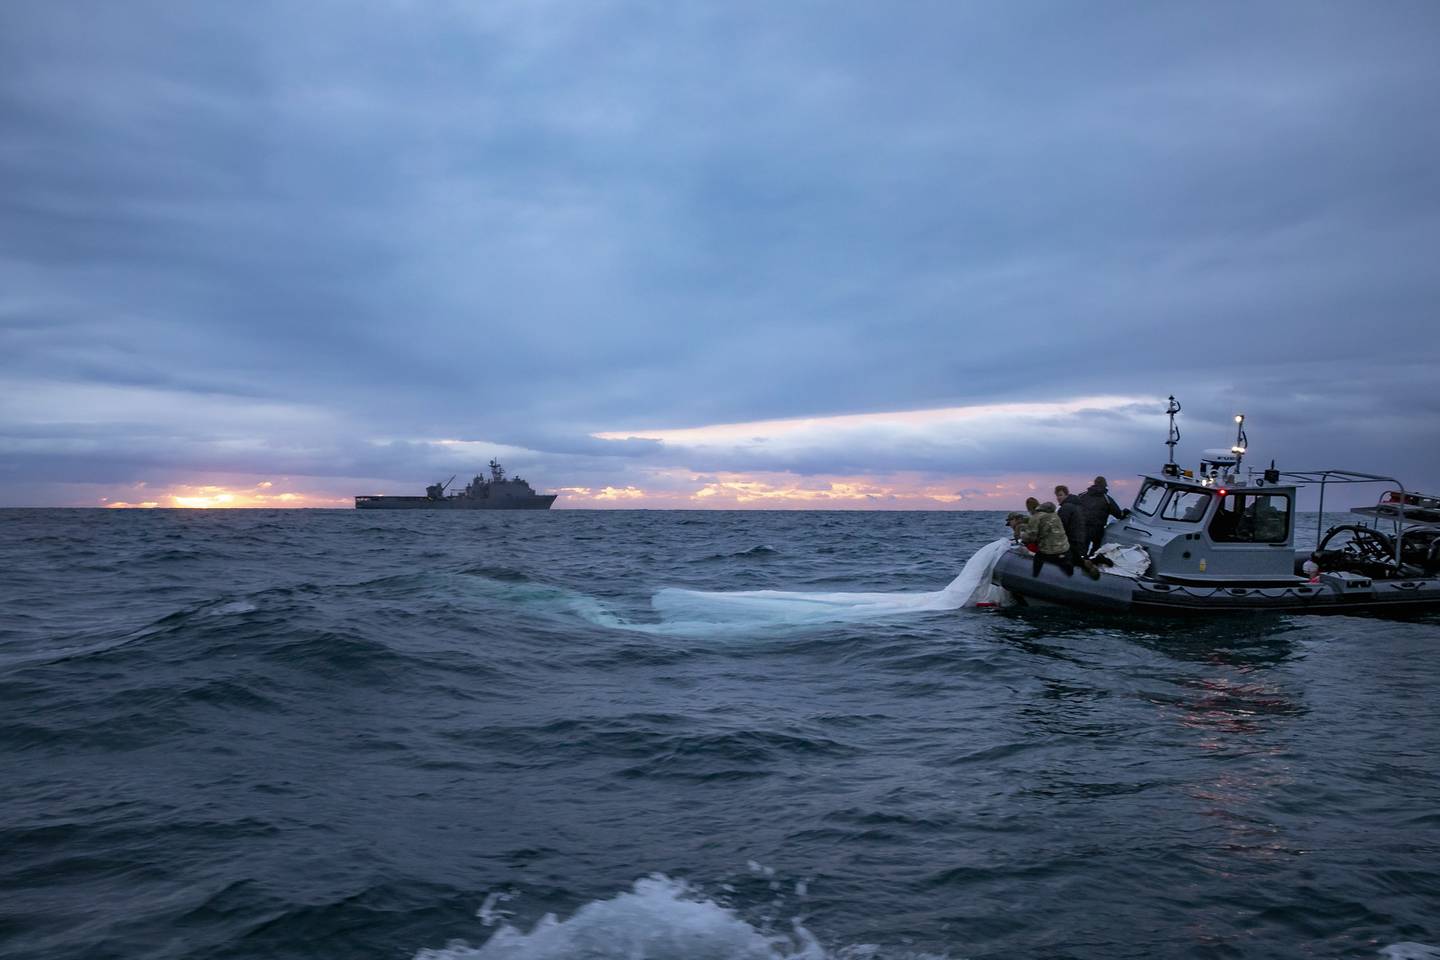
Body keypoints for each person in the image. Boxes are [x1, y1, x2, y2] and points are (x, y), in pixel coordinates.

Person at [1055, 485, 1100, 579]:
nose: (1058, 498)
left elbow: (1059, 528)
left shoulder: (1066, 508)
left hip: (1071, 543)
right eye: (1057, 495)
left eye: (1060, 495)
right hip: (1080, 543)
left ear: (1066, 495)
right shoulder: (1078, 507)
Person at [1023, 496, 1074, 577]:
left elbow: (1031, 537)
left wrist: (1022, 535)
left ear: (1029, 509)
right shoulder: (1052, 514)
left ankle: (1035, 576)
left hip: (1049, 549)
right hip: (1063, 546)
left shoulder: (1035, 517)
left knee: (1039, 557)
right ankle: (1065, 565)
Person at [1078, 475, 1128, 555]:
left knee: (1081, 550)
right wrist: (1125, 513)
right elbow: (1118, 515)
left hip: (1082, 527)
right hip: (1097, 529)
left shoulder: (1082, 496)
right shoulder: (1107, 499)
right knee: (1096, 550)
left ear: (1094, 483)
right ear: (1105, 485)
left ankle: (1081, 563)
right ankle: (1091, 561)